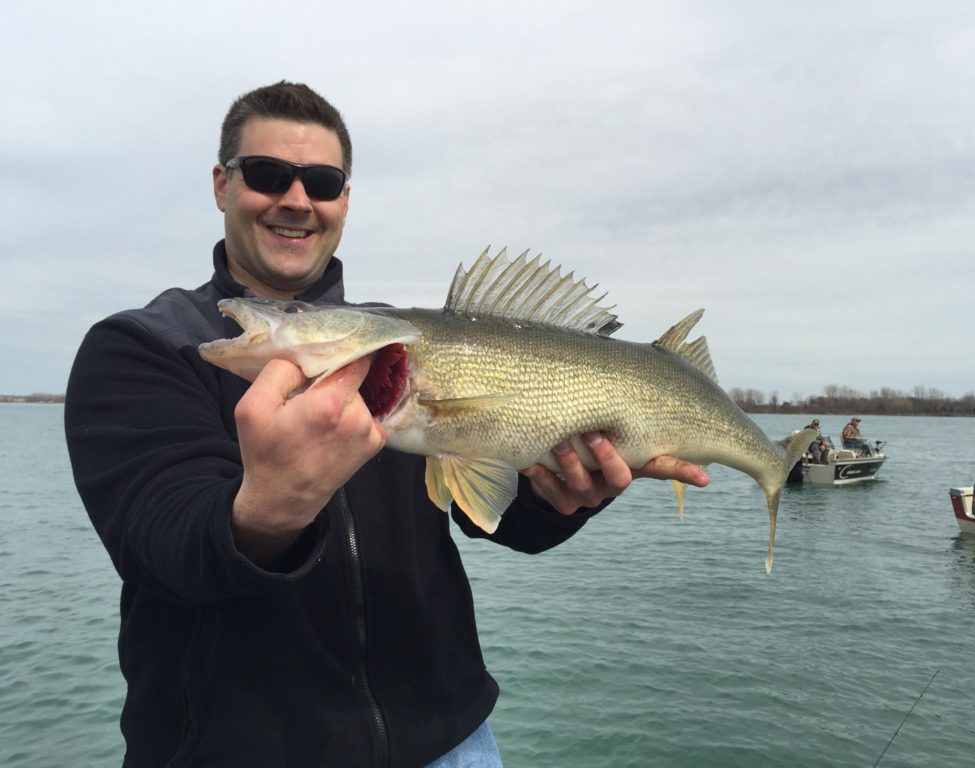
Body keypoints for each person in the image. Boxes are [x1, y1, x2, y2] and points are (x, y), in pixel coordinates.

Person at [64, 81, 708, 768]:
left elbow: (498, 515)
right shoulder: (142, 347)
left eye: (322, 181)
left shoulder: (397, 351)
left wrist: (563, 500)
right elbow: (159, 544)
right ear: (222, 184)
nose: (296, 199)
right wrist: (265, 510)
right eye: (268, 175)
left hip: (451, 741)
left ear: (344, 200)